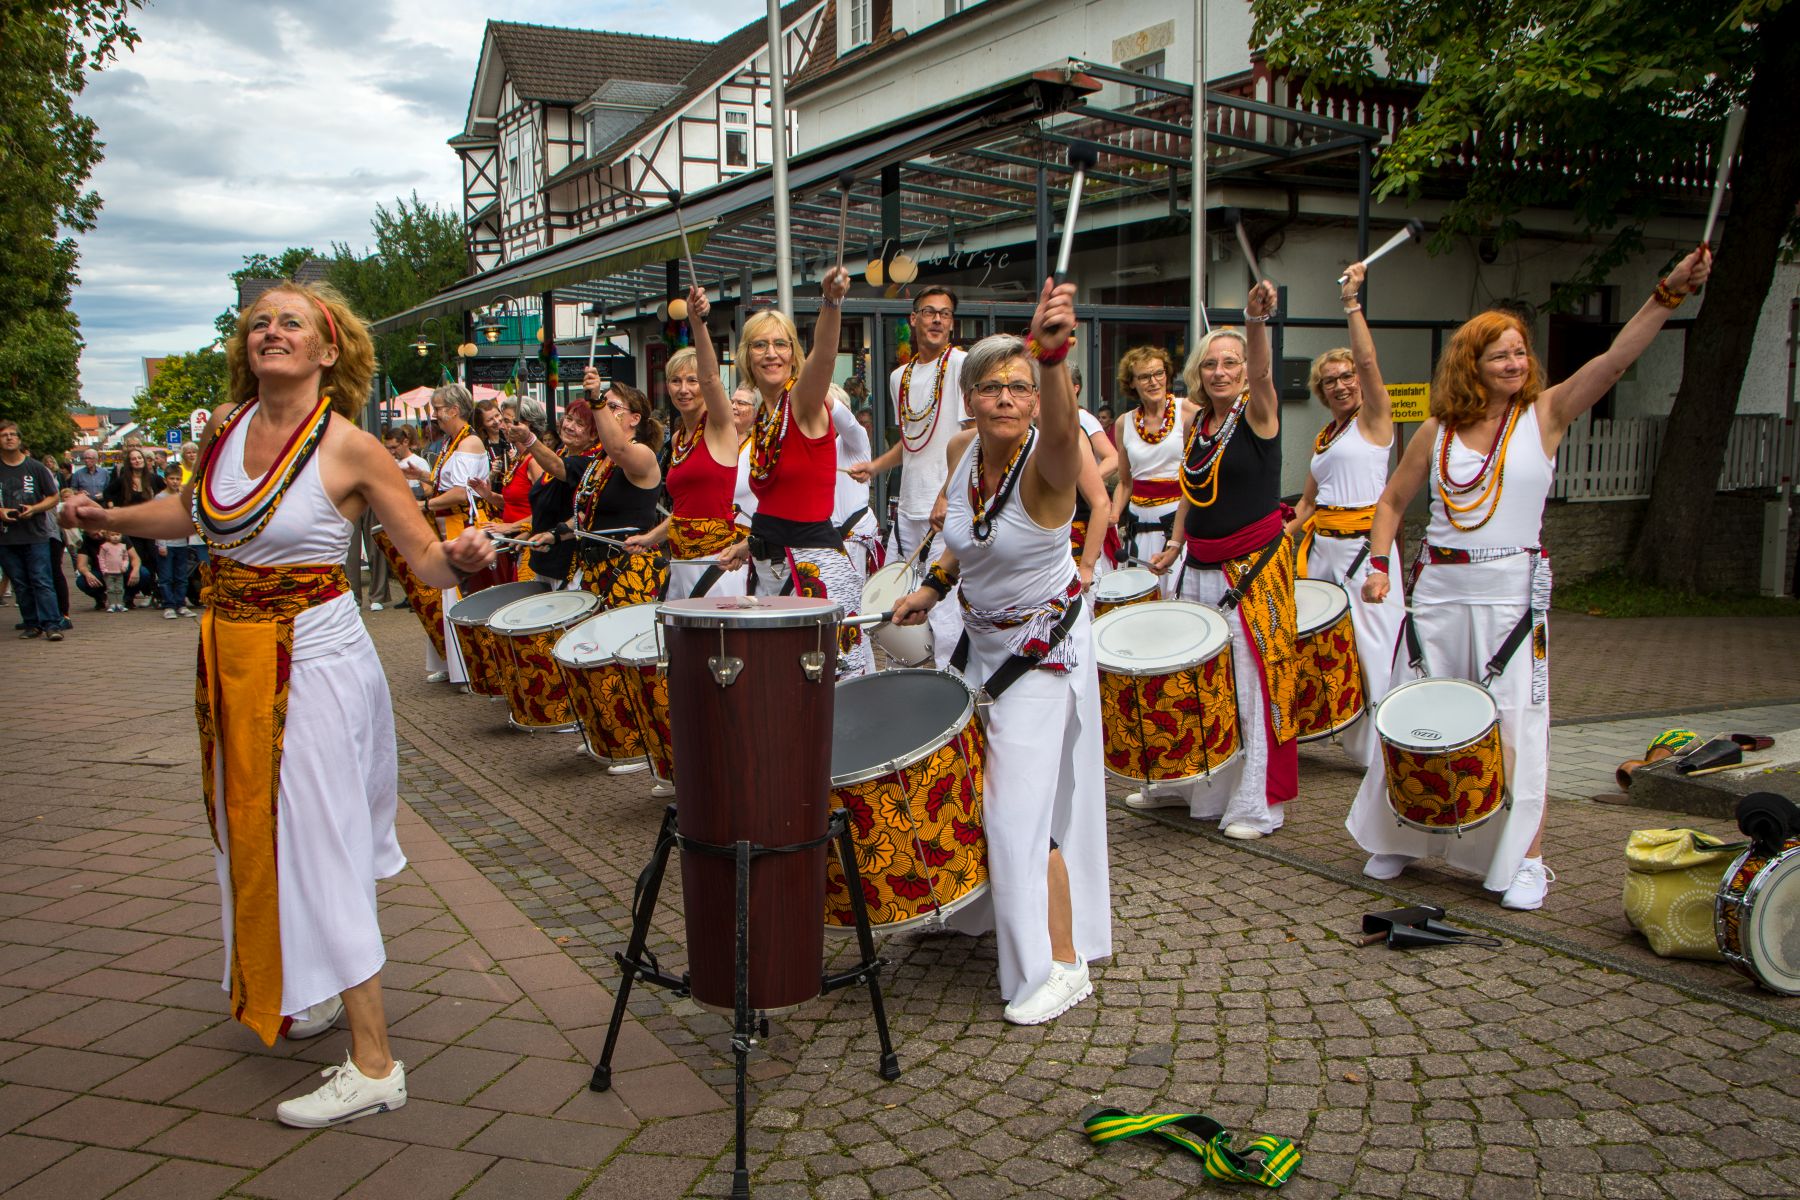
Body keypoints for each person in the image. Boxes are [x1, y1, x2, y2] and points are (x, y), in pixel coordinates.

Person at [60, 278, 496, 1126]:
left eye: (291, 322)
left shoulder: (351, 448)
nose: (271, 330)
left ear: (329, 350)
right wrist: (110, 522)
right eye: (258, 322)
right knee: (250, 827)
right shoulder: (226, 430)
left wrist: (465, 555)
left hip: (315, 662)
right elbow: (192, 514)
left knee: (319, 843)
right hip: (232, 657)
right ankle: (314, 988)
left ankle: (375, 1063)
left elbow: (426, 559)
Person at [1349, 246, 1713, 909]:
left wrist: (1667, 293)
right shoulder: (1436, 430)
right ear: (1471, 365)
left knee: (1516, 724)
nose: (1515, 364)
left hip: (1511, 597)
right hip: (1438, 595)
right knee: (1418, 715)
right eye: (1500, 356)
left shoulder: (1545, 414)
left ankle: (1527, 860)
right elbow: (1392, 503)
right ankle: (1401, 835)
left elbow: (1614, 361)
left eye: (1520, 353)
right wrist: (1378, 565)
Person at [892, 279, 1111, 1024]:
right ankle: (989, 914)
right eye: (992, 387)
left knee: (1017, 812)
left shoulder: (1050, 464)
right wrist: (932, 588)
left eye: (1020, 388)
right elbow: (966, 543)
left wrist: (1053, 356)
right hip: (978, 645)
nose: (1007, 399)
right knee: (990, 797)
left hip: (1039, 655)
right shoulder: (962, 452)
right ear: (971, 398)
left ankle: (1060, 966)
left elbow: (1062, 433)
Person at [1146, 283, 1298, 840]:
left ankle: (1256, 805)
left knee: (1253, 689)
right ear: (1197, 373)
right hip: (1199, 566)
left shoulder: (1259, 413)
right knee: (1201, 683)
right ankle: (1199, 790)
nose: (1220, 371)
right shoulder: (1197, 425)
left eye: (1231, 362)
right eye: (1210, 363)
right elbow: (1191, 489)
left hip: (1251, 572)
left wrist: (1254, 322)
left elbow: (1263, 373)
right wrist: (1176, 542)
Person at [718, 267, 873, 677]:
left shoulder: (802, 401)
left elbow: (825, 354)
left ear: (793, 354)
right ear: (747, 356)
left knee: (828, 688)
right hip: (769, 568)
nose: (771, 353)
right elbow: (778, 506)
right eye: (760, 345)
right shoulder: (764, 419)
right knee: (779, 681)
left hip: (814, 570)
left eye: (780, 344)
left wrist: (831, 302)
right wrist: (749, 545)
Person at [1285, 262, 1404, 762]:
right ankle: (1345, 736)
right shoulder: (1325, 436)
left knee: (1375, 647)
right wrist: (1277, 536)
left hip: (1364, 549)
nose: (1340, 385)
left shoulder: (1374, 421)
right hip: (1324, 551)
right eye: (1330, 380)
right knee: (1329, 647)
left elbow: (1370, 362)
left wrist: (1351, 304)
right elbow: (1308, 502)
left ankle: (1383, 753)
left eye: (1347, 376)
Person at [848, 287, 968, 666]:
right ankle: (906, 683)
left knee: (944, 609)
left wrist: (947, 493)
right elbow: (911, 441)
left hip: (947, 508)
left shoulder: (962, 365)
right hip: (908, 508)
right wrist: (875, 467)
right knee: (896, 602)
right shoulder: (899, 375)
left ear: (952, 324)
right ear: (913, 319)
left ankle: (953, 688)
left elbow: (970, 438)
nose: (937, 319)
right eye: (929, 312)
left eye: (945, 314)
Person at [623, 288, 746, 598]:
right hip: (680, 564)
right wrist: (650, 538)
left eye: (692, 380)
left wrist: (697, 322)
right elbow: (684, 512)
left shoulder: (718, 426)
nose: (684, 389)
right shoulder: (679, 439)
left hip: (717, 564)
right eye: (676, 381)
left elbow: (711, 379)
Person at [515, 372, 665, 605]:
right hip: (595, 570)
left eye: (612, 406)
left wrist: (596, 400)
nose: (604, 410)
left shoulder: (642, 453)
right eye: (604, 404)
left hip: (629, 569)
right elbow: (587, 516)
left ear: (635, 419)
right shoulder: (600, 460)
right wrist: (555, 535)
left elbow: (620, 449)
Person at [1111, 345, 1196, 598]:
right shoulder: (1124, 423)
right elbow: (1125, 482)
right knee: (1140, 597)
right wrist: (1112, 515)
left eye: (1159, 373)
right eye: (1144, 376)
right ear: (1132, 383)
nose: (1153, 381)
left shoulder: (1188, 410)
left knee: (1177, 598)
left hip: (1177, 523)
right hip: (1139, 526)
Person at [417, 384, 488, 683]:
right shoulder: (453, 442)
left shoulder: (468, 442)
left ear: (454, 410)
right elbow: (446, 482)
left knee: (457, 596)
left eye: (438, 409)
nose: (434, 415)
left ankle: (467, 669)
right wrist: (421, 475)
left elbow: (460, 492)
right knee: (447, 597)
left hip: (463, 526)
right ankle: (453, 664)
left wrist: (425, 504)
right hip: (450, 526)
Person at [0, 420, 66, 640]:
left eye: (13, 434)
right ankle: (31, 623)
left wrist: (35, 508)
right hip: (6, 536)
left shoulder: (36, 467)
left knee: (41, 580)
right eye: (4, 435)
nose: (9, 438)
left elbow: (54, 497)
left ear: (20, 439)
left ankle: (52, 624)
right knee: (20, 583)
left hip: (35, 533)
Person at [828, 383, 883, 577]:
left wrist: (816, 393)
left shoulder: (855, 437)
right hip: (825, 538)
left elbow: (846, 422)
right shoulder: (817, 445)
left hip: (853, 536)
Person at [104, 446, 166, 604]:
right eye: (133, 459)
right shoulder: (123, 480)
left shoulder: (153, 479)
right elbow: (107, 492)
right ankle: (133, 594)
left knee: (154, 558)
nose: (137, 461)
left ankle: (155, 592)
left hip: (151, 526)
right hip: (132, 527)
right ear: (129, 462)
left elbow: (167, 493)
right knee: (137, 559)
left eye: (139, 458)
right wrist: (112, 506)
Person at [97, 531, 138, 612]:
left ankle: (120, 604)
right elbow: (101, 559)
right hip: (108, 572)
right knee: (110, 589)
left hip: (119, 572)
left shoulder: (123, 546)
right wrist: (104, 569)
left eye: (117, 534)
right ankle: (112, 604)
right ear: (108, 536)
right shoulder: (104, 546)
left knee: (120, 588)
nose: (115, 537)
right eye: (112, 535)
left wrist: (124, 566)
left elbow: (126, 558)